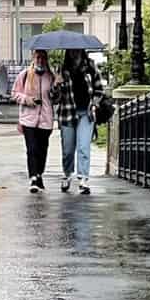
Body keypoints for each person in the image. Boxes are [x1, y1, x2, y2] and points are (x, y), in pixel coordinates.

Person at [51, 50, 106, 195]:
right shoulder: (62, 69)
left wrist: (94, 104)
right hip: (67, 114)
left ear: (82, 51)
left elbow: (99, 90)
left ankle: (83, 179)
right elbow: (54, 98)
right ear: (68, 52)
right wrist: (56, 84)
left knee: (83, 147)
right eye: (71, 50)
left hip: (86, 114)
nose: (74, 53)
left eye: (77, 50)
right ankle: (67, 174)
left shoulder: (90, 67)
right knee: (68, 150)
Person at [11, 49, 56, 193]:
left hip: (45, 120)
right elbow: (15, 94)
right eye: (38, 58)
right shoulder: (24, 75)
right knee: (31, 149)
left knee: (42, 150)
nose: (40, 60)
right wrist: (28, 100)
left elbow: (56, 98)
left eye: (43, 58)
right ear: (33, 58)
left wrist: (57, 86)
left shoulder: (51, 76)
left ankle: (39, 174)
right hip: (28, 119)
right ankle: (33, 178)